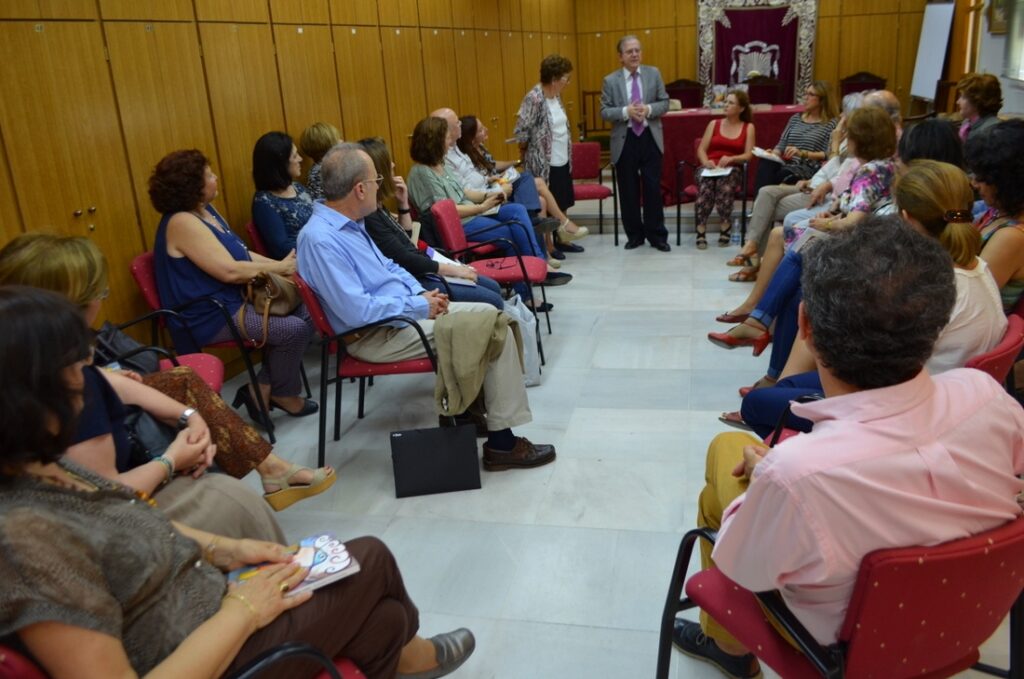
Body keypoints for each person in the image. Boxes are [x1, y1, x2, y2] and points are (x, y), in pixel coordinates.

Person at [0, 286, 476, 679]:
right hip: (213, 655)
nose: (90, 391)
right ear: (29, 398)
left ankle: (405, 661)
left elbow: (129, 524)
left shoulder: (49, 471)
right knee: (369, 557)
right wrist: (243, 612)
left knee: (384, 619)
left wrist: (227, 552)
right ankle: (415, 660)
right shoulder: (27, 538)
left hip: (212, 615)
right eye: (76, 378)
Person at [673, 220, 1024, 679]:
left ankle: (729, 649)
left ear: (804, 326)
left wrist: (766, 477)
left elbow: (743, 570)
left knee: (727, 455)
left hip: (836, 649)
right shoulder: (987, 395)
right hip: (966, 616)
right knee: (735, 456)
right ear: (938, 325)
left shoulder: (796, 474)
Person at [0, 233, 335, 525]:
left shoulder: (47, 352)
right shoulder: (71, 389)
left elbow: (115, 375)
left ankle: (270, 467)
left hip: (219, 310)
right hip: (206, 314)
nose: (102, 301)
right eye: (98, 293)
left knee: (183, 381)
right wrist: (171, 459)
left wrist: (186, 415)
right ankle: (269, 468)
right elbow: (106, 496)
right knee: (229, 500)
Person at [298, 142, 557, 471]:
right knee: (494, 328)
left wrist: (423, 298)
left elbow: (390, 268)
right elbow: (357, 312)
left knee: (496, 318)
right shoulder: (321, 239)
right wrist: (418, 305)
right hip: (377, 335)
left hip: (400, 318)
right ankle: (502, 445)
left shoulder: (350, 223)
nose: (383, 185)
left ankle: (471, 415)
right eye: (378, 180)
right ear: (360, 189)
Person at [735, 166, 1007, 438]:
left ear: (906, 218)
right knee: (788, 386)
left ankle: (819, 446)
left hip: (904, 411)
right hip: (939, 395)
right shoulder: (978, 268)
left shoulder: (932, 286)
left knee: (758, 404)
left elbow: (872, 364)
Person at [709, 105, 898, 370]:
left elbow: (855, 221)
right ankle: (761, 326)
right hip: (866, 236)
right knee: (792, 257)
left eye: (849, 135)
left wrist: (824, 223)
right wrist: (828, 219)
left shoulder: (870, 170)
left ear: (862, 138)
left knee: (798, 248)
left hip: (863, 245)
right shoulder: (883, 165)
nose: (845, 140)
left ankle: (759, 321)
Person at [149, 149, 317, 429]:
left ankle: (261, 387)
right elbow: (228, 271)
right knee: (294, 330)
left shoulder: (205, 211)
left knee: (308, 312)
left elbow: (241, 254)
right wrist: (280, 269)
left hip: (234, 300)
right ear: (194, 186)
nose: (216, 178)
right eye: (209, 175)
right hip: (209, 314)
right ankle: (282, 393)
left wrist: (283, 264)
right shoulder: (181, 222)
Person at [405, 116, 571, 289]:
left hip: (471, 212)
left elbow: (464, 192)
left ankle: (535, 268)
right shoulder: (421, 173)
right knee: (513, 231)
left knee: (517, 210)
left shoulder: (441, 163)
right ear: (434, 142)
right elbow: (443, 212)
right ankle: (529, 283)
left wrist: (488, 197)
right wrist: (481, 207)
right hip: (458, 224)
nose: (450, 143)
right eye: (446, 138)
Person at [723, 91, 862, 281]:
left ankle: (755, 261)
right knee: (765, 191)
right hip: (809, 181)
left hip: (816, 184)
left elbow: (838, 172)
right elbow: (829, 167)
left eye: (844, 113)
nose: (840, 116)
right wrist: (776, 152)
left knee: (765, 207)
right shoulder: (798, 119)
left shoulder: (844, 135)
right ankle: (753, 251)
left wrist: (818, 151)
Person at [358, 136, 506, 310]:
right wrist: (455, 270)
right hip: (416, 279)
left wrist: (403, 204)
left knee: (494, 287)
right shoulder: (370, 216)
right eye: (387, 161)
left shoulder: (378, 207)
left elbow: (407, 240)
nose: (393, 165)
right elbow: (405, 259)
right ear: (378, 171)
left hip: (421, 268)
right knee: (493, 300)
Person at [455, 114, 588, 250]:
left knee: (540, 199)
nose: (486, 130)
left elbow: (492, 166)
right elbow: (477, 181)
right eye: (481, 130)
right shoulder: (466, 155)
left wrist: (515, 163)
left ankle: (548, 249)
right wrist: (496, 181)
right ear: (471, 137)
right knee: (533, 181)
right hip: (492, 191)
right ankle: (562, 225)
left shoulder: (480, 148)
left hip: (495, 183)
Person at [600, 35, 670, 251]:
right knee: (628, 191)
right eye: (629, 51)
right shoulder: (610, 81)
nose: (635, 54)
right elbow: (604, 111)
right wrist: (625, 112)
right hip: (625, 140)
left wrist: (648, 109)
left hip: (649, 138)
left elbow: (665, 102)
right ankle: (634, 235)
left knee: (652, 189)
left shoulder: (653, 73)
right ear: (620, 56)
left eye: (637, 50)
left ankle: (657, 235)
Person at [513, 54, 588, 255]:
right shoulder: (534, 98)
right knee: (545, 202)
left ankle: (564, 238)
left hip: (562, 155)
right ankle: (549, 245)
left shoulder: (556, 96)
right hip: (543, 161)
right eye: (566, 78)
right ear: (554, 79)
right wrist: (527, 150)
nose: (568, 82)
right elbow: (521, 130)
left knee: (562, 198)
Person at [966, 119, 1024, 312]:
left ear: (1008, 181)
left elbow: (972, 298)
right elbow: (965, 217)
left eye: (983, 178)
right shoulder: (999, 210)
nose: (975, 184)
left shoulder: (1012, 237)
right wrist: (941, 214)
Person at [694, 89, 755, 249]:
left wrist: (733, 158)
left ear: (741, 108)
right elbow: (701, 149)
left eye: (731, 103)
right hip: (710, 166)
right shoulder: (714, 124)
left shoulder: (748, 127)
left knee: (724, 185)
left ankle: (725, 225)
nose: (726, 105)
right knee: (706, 187)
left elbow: (749, 154)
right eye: (725, 102)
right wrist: (706, 161)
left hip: (732, 168)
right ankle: (700, 229)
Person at [751, 80, 837, 193]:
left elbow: (828, 154)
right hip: (788, 164)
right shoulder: (795, 118)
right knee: (767, 163)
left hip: (808, 167)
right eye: (805, 93)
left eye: (811, 94)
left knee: (781, 175)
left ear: (822, 100)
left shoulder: (830, 124)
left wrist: (802, 153)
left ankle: (761, 206)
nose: (805, 97)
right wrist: (772, 154)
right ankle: (757, 208)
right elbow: (781, 145)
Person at [252, 131, 315, 259]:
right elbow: (281, 249)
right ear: (280, 164)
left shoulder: (297, 187)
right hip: (304, 261)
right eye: (295, 156)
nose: (300, 159)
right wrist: (324, 244)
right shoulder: (264, 203)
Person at [299, 121, 342, 200]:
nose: (342, 141)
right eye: (337, 139)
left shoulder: (321, 168)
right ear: (327, 144)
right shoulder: (324, 170)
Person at [957, 72, 1002, 143]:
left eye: (963, 97)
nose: (958, 102)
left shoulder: (993, 130)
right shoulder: (966, 123)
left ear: (977, 100)